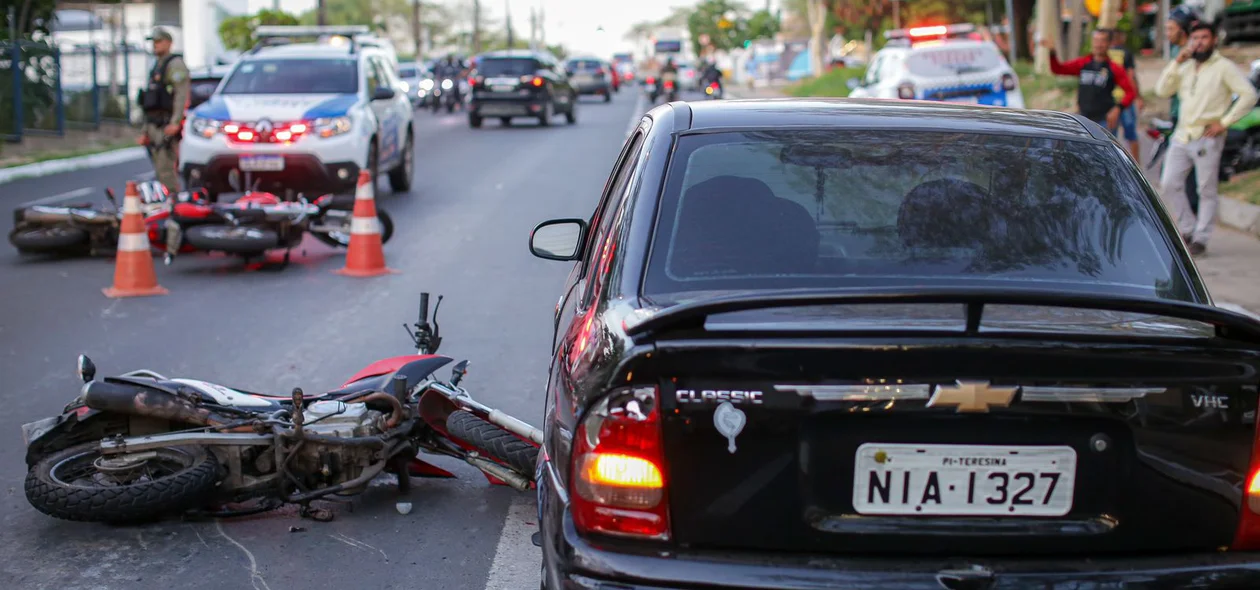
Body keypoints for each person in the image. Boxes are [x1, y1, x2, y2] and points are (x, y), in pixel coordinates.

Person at [1154, 23, 1257, 256]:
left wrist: (1225, 121)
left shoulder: (1223, 67)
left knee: (1206, 189)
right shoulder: (1186, 65)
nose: (1199, 42)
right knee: (1169, 183)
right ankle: (1187, 228)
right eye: (1195, 38)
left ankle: (1201, 237)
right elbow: (1161, 90)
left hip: (1207, 137)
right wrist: (1176, 63)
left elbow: (1249, 94)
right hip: (1182, 135)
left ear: (1213, 41)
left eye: (1204, 38)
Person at [1043, 29, 1137, 136]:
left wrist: (1117, 109)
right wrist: (1052, 52)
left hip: (1104, 121)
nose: (1098, 44)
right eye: (1096, 40)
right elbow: (1058, 69)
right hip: (1083, 119)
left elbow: (1130, 93)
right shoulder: (1083, 63)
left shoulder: (1114, 68)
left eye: (1102, 41)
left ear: (1109, 44)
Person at [137, 27, 189, 193]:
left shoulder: (175, 65)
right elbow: (149, 101)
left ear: (168, 43)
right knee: (160, 170)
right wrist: (145, 130)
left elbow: (181, 95)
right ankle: (166, 204)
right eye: (153, 42)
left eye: (159, 41)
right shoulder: (157, 66)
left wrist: (175, 122)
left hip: (165, 124)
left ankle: (173, 204)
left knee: (166, 170)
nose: (155, 45)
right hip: (154, 124)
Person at [1109, 30, 1142, 159]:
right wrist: (1138, 97)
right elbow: (1131, 76)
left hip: (1109, 100)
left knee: (1110, 136)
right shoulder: (1126, 53)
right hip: (1125, 99)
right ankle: (1137, 166)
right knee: (1131, 134)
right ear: (1120, 38)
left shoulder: (1105, 54)